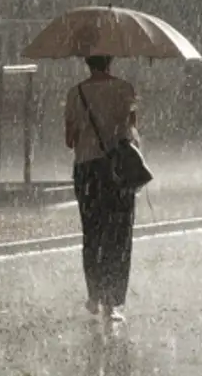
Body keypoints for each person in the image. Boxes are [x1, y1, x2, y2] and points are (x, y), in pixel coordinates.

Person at [65, 54, 139, 324]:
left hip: (87, 170)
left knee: (92, 233)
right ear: (111, 60)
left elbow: (69, 140)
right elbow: (132, 130)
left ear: (88, 62)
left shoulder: (75, 93)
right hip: (117, 170)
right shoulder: (125, 89)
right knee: (119, 235)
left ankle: (94, 294)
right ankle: (113, 302)